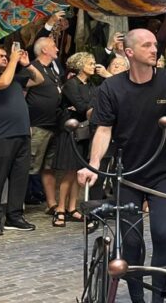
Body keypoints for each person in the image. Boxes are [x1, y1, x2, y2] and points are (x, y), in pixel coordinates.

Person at [78, 29, 166, 303]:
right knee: (131, 242)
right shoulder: (112, 88)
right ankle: (138, 298)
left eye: (155, 44)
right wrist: (93, 165)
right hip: (128, 174)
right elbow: (104, 130)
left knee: (163, 235)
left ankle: (158, 298)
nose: (155, 49)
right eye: (147, 45)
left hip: (163, 172)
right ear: (129, 53)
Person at [0, 42, 45, 236]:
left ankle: (14, 217)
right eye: (0, 56)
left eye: (6, 56)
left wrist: (27, 63)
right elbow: (2, 83)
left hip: (22, 133)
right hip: (0, 135)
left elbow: (39, 80)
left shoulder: (14, 76)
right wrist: (13, 61)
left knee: (19, 178)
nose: (5, 58)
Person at [50, 52, 98, 228]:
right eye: (90, 63)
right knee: (69, 172)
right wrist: (87, 107)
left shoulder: (92, 85)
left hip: (84, 132)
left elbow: (94, 104)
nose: (94, 65)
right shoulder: (71, 84)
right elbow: (83, 106)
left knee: (79, 172)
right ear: (80, 65)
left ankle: (72, 207)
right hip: (70, 131)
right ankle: (60, 208)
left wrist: (88, 107)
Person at [27, 36, 64, 217]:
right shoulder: (31, 68)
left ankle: (51, 203)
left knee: (49, 167)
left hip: (53, 125)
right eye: (54, 46)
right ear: (44, 50)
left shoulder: (53, 70)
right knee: (28, 166)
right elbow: (21, 93)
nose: (57, 49)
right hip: (37, 125)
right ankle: (15, 207)